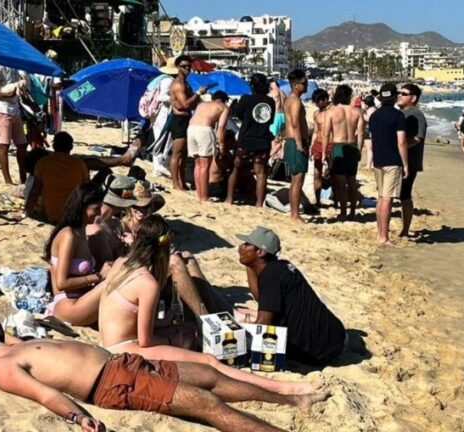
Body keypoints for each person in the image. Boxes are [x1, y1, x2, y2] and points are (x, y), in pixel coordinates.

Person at [0, 316, 330, 432]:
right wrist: (79, 417)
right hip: (114, 384)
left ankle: (293, 398)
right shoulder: (4, 368)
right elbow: (45, 395)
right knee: (207, 404)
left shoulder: (7, 346)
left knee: (209, 376)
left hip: (123, 364)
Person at [98, 216, 326, 397]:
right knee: (209, 361)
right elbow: (145, 341)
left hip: (107, 341)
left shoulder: (120, 263)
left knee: (186, 331)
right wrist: (170, 339)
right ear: (164, 246)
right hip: (124, 349)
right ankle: (283, 388)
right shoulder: (147, 283)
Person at [235, 227, 346, 367]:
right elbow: (261, 298)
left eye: (246, 244)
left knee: (240, 327)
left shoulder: (271, 277)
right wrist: (249, 264)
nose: (240, 247)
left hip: (318, 353)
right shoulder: (281, 267)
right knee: (242, 312)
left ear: (260, 252)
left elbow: (263, 325)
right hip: (334, 337)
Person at [44, 182, 110, 326]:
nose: (99, 213)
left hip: (81, 299)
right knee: (113, 283)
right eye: (96, 209)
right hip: (68, 305)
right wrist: (98, 276)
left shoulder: (81, 231)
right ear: (82, 208)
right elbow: (62, 283)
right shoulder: (69, 235)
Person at [224, 73, 276, 207]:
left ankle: (229, 199)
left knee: (236, 168)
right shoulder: (270, 102)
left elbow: (238, 115)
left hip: (246, 139)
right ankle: (259, 203)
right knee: (261, 173)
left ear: (252, 85)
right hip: (263, 139)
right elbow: (269, 120)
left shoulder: (246, 99)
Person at [369, 83, 408, 245]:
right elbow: (402, 142)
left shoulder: (373, 116)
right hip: (392, 160)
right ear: (394, 97)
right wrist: (405, 164)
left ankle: (380, 232)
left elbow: (372, 139)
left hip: (378, 159)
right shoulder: (398, 116)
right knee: (387, 199)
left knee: (381, 197)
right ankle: (383, 237)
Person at [24, 132, 89, 224]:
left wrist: (26, 212)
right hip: (73, 215)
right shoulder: (79, 164)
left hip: (53, 215)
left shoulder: (43, 163)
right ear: (71, 147)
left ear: (54, 146)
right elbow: (87, 189)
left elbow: (35, 192)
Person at [322, 85, 364, 221]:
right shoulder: (357, 112)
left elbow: (326, 134)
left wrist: (324, 152)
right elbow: (361, 133)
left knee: (340, 183)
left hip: (338, 147)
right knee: (352, 182)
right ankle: (352, 211)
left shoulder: (332, 112)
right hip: (352, 147)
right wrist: (359, 149)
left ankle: (343, 212)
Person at [0, 63, 28, 184]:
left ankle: (23, 178)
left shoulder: (17, 67)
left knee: (22, 144)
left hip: (14, 109)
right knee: (4, 144)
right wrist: (6, 95)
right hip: (1, 109)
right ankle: (7, 180)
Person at [169, 55, 207, 191]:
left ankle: (182, 181)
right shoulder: (178, 84)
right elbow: (184, 104)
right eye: (184, 66)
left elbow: (187, 104)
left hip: (185, 118)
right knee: (177, 153)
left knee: (184, 154)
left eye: (189, 66)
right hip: (179, 119)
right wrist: (197, 94)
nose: (187, 69)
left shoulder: (185, 83)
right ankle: (175, 183)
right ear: (178, 67)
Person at [187, 90, 230, 202]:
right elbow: (221, 128)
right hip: (204, 129)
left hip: (191, 128)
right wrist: (221, 146)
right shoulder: (223, 107)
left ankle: (199, 194)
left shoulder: (202, 104)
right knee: (205, 166)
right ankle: (204, 197)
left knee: (198, 164)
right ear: (225, 100)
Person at [398, 83, 427, 238]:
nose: (399, 95)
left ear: (413, 98)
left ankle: (405, 229)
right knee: (398, 194)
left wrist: (398, 147)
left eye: (403, 93)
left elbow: (417, 138)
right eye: (399, 92)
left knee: (405, 195)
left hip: (410, 162)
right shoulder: (402, 113)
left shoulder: (416, 114)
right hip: (400, 161)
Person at [283, 69, 311, 223]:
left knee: (296, 179)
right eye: (303, 82)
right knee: (298, 179)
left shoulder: (291, 99)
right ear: (295, 85)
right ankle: (294, 214)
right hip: (295, 142)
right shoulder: (294, 101)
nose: (306, 85)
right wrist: (300, 144)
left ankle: (295, 212)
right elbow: (295, 123)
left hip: (293, 141)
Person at [309, 89, 331, 208]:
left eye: (318, 101)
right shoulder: (316, 114)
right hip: (318, 144)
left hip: (331, 144)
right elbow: (316, 131)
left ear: (325, 100)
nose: (317, 104)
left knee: (334, 173)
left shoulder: (332, 113)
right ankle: (318, 201)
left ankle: (337, 200)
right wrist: (311, 146)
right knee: (317, 173)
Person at [361, 95, 377, 170]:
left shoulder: (371, 110)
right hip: (372, 130)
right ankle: (372, 164)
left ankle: (369, 165)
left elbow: (369, 119)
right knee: (372, 149)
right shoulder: (375, 109)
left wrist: (363, 114)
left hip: (369, 130)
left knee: (369, 149)